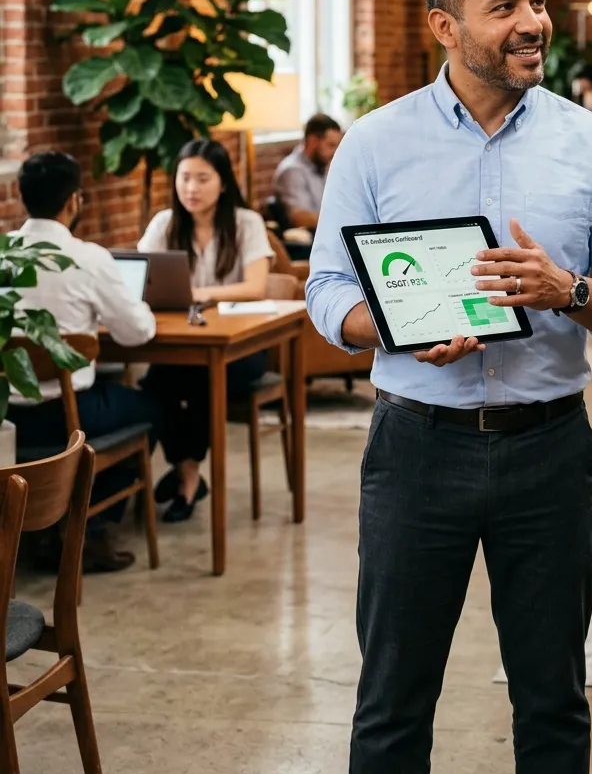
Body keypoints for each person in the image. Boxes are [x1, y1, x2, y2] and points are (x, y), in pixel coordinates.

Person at [306, 0, 592, 773]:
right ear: (444, 25)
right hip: (414, 449)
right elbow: (327, 295)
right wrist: (398, 326)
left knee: (553, 702)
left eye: (537, 1)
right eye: (504, 6)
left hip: (549, 450)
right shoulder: (374, 143)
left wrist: (569, 292)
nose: (532, 21)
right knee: (392, 703)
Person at [7, 151, 162, 573]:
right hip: (67, 417)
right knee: (152, 408)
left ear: (20, 195)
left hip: (7, 420)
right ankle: (92, 531)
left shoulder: (4, 257)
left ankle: (40, 532)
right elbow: (139, 332)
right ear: (75, 200)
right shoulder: (88, 258)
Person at [138, 139, 274, 523]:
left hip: (242, 347)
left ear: (224, 183)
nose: (191, 189)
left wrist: (199, 293)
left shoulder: (246, 222)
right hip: (184, 343)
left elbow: (256, 287)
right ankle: (188, 475)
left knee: (200, 381)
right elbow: (139, 278)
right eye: (184, 178)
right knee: (155, 387)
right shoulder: (164, 223)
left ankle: (185, 477)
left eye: (202, 179)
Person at [272, 112, 342, 230]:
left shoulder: (323, 165)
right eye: (331, 145)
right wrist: (342, 219)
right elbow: (299, 217)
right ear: (312, 141)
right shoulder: (292, 171)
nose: (335, 152)